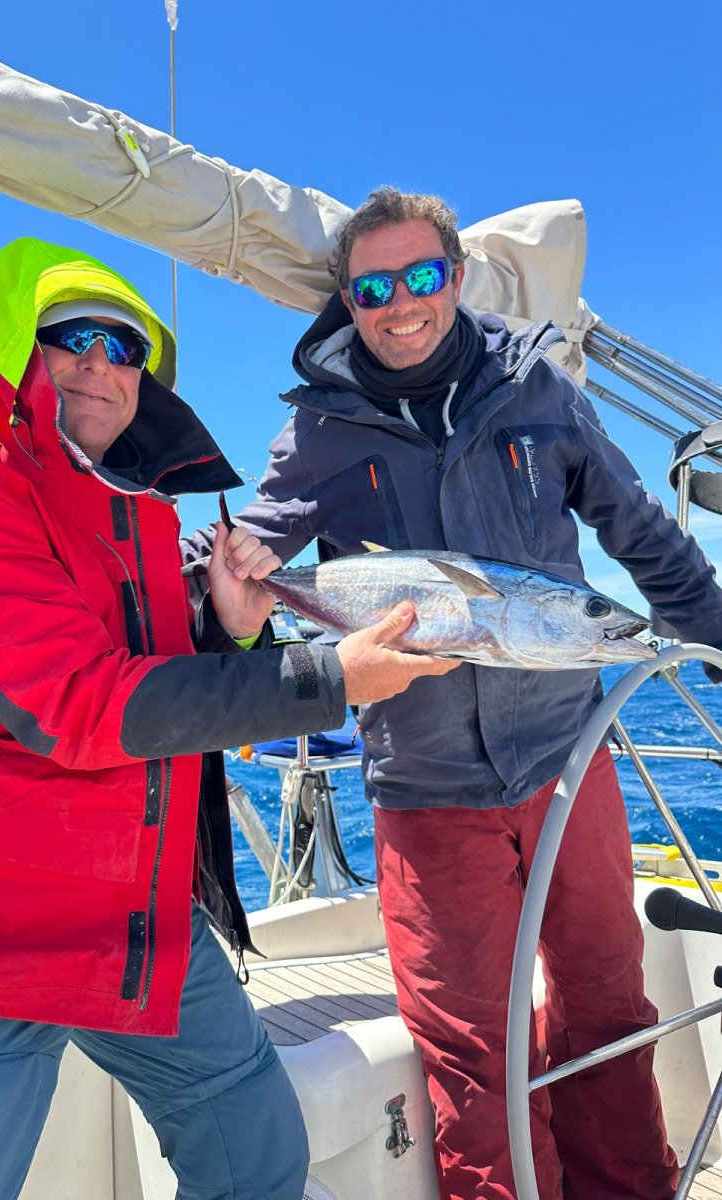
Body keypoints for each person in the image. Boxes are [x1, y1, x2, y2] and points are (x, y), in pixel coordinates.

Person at [0, 235, 458, 1200]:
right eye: (72, 337)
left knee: (259, 1155)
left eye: (125, 348)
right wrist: (328, 677)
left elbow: (157, 688)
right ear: (18, 350)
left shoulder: (141, 514)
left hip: (127, 915)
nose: (101, 363)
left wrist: (231, 630)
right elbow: (80, 704)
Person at [209, 188, 722, 1200]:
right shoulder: (318, 429)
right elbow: (252, 556)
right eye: (373, 288)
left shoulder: (537, 388)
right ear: (348, 301)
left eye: (422, 276)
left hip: (567, 764)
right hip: (426, 787)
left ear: (456, 277)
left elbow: (640, 531)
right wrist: (231, 594)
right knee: (472, 1046)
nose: (401, 303)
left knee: (609, 1007)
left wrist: (715, 635)